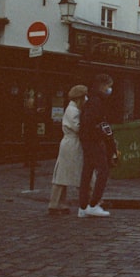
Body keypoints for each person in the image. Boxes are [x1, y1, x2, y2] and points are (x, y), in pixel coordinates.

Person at [78, 73, 114, 218]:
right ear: (102, 86)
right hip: (94, 141)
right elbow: (94, 123)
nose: (110, 89)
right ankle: (93, 204)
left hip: (87, 141)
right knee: (103, 171)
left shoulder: (90, 101)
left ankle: (83, 206)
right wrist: (102, 137)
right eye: (108, 86)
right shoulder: (96, 102)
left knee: (87, 172)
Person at [47, 85, 87, 215]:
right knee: (64, 174)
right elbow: (78, 127)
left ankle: (59, 203)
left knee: (64, 174)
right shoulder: (72, 111)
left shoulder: (74, 109)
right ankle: (55, 204)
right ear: (80, 98)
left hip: (72, 143)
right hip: (71, 144)